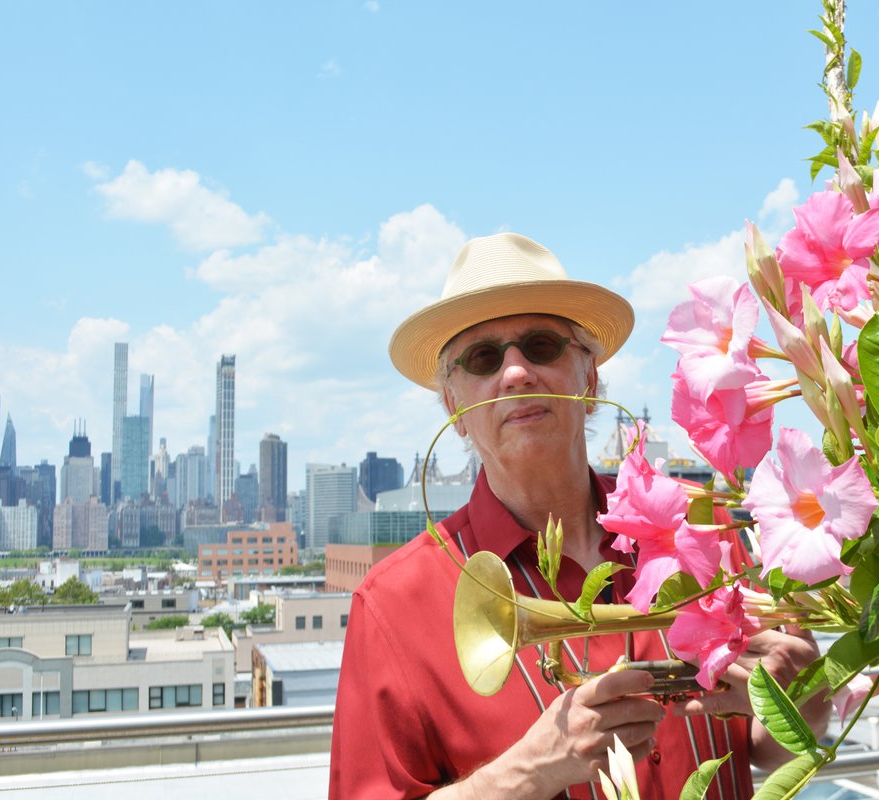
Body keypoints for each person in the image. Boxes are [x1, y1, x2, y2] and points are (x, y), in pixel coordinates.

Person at [329, 233, 827, 799]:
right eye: (484, 358)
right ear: (455, 407)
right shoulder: (392, 604)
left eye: (541, 346)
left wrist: (804, 703)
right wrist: (527, 773)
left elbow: (765, 748)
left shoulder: (705, 524)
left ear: (588, 381)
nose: (516, 373)